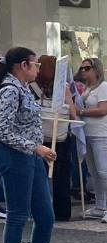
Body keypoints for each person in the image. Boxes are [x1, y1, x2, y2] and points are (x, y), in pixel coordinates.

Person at [0, 47, 63, 243]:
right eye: (36, 64)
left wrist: (36, 148)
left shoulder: (22, 89)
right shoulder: (9, 91)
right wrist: (36, 147)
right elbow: (2, 131)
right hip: (15, 156)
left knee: (45, 215)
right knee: (18, 215)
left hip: (29, 155)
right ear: (24, 65)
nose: (39, 68)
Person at [34, 55, 80, 222]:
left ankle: (40, 209)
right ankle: (62, 210)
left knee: (40, 174)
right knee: (62, 173)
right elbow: (73, 113)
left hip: (38, 137)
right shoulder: (63, 87)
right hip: (60, 136)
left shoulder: (33, 87)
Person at [78, 57, 107, 221]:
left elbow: (103, 109)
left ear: (96, 70)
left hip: (101, 133)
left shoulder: (103, 87)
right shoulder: (87, 88)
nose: (84, 71)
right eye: (82, 68)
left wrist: (82, 112)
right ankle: (100, 205)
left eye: (87, 68)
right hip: (88, 132)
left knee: (104, 171)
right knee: (94, 171)